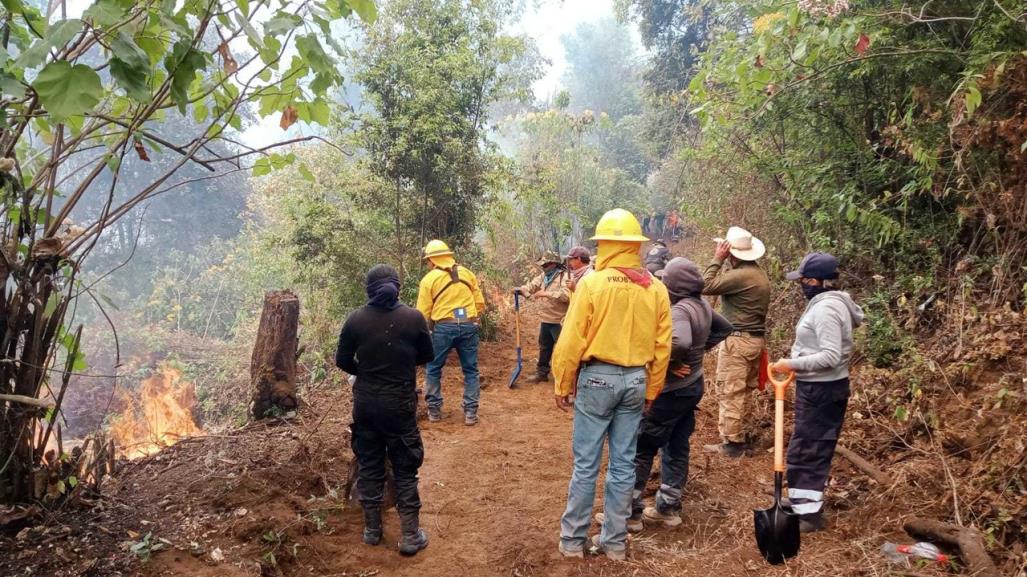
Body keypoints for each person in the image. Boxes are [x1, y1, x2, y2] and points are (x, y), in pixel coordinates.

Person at [552, 208, 672, 561]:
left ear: (604, 244)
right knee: (623, 463)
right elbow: (663, 347)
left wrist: (562, 381)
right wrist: (652, 390)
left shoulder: (592, 283)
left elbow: (572, 338)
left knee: (587, 464)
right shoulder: (656, 289)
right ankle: (614, 543)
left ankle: (573, 542)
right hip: (636, 380)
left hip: (598, 379)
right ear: (635, 246)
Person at [336, 264, 434, 556]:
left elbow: (342, 360)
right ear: (397, 287)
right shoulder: (413, 317)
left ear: (368, 289)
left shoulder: (355, 319)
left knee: (370, 465)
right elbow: (426, 355)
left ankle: (371, 531)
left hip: (365, 403)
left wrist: (365, 372)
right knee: (405, 467)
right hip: (399, 403)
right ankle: (409, 536)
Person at [631, 258, 733, 530]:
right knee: (676, 445)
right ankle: (668, 507)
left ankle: (629, 513)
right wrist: (697, 355)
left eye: (666, 281)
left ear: (675, 286)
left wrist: (670, 362)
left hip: (672, 391)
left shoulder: (678, 310)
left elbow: (679, 342)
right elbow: (725, 328)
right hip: (692, 386)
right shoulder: (700, 305)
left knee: (643, 445)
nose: (662, 284)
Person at [770, 253, 863, 533]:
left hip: (823, 389)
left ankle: (808, 515)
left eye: (804, 281)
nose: (802, 285)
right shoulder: (829, 302)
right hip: (820, 386)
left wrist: (791, 364)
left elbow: (831, 355)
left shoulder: (826, 309)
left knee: (809, 447)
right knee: (807, 444)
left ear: (816, 281)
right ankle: (801, 501)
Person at [701, 226, 771, 458]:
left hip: (738, 342)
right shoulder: (758, 274)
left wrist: (717, 259)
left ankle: (732, 443)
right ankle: (742, 436)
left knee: (730, 392)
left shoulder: (740, 276)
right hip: (754, 341)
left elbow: (705, 285)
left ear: (731, 252)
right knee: (745, 391)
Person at [416, 240, 487, 426]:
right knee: (471, 370)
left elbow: (422, 312)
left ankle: (434, 411)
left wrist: (422, 333)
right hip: (468, 326)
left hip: (443, 328)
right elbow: (480, 303)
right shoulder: (467, 273)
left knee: (433, 368)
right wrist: (473, 317)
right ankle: (471, 412)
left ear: (432, 260)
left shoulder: (429, 279)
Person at [513, 251, 571, 383]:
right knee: (544, 347)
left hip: (560, 320)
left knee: (563, 349)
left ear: (554, 264)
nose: (543, 267)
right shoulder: (544, 276)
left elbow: (566, 296)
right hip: (546, 319)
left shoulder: (565, 276)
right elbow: (531, 286)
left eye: (546, 264)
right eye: (543, 265)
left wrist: (546, 294)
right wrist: (521, 290)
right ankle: (542, 373)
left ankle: (567, 377)